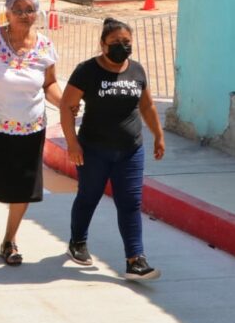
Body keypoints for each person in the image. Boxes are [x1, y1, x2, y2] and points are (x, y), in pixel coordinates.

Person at [60, 18, 166, 280]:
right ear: (103, 44)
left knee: (130, 202)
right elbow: (66, 106)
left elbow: (147, 106)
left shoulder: (137, 70)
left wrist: (158, 135)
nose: (121, 46)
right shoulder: (87, 71)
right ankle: (78, 241)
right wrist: (72, 143)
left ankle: (135, 260)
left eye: (126, 42)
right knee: (89, 196)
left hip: (130, 150)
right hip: (94, 149)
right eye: (115, 42)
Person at [0, 0, 62, 266]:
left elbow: (49, 84)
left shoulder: (45, 46)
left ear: (37, 13)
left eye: (29, 10)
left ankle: (9, 241)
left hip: (31, 126)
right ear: (7, 13)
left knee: (24, 186)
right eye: (18, 10)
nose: (24, 15)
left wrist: (65, 104)